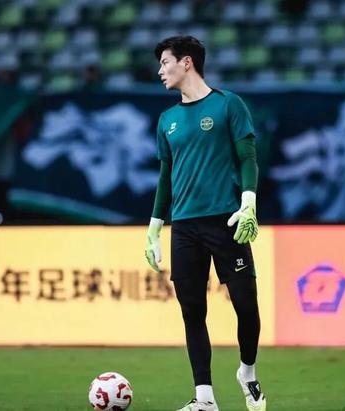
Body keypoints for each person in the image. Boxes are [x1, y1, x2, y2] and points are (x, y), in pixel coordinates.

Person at [145, 36, 266, 411]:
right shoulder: (167, 120)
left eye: (165, 62)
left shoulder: (229, 104)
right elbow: (165, 178)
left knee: (246, 307)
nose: (160, 70)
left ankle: (247, 372)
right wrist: (154, 228)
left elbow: (247, 157)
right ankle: (205, 399)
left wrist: (248, 202)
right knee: (192, 311)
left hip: (226, 219)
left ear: (186, 63)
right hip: (184, 227)